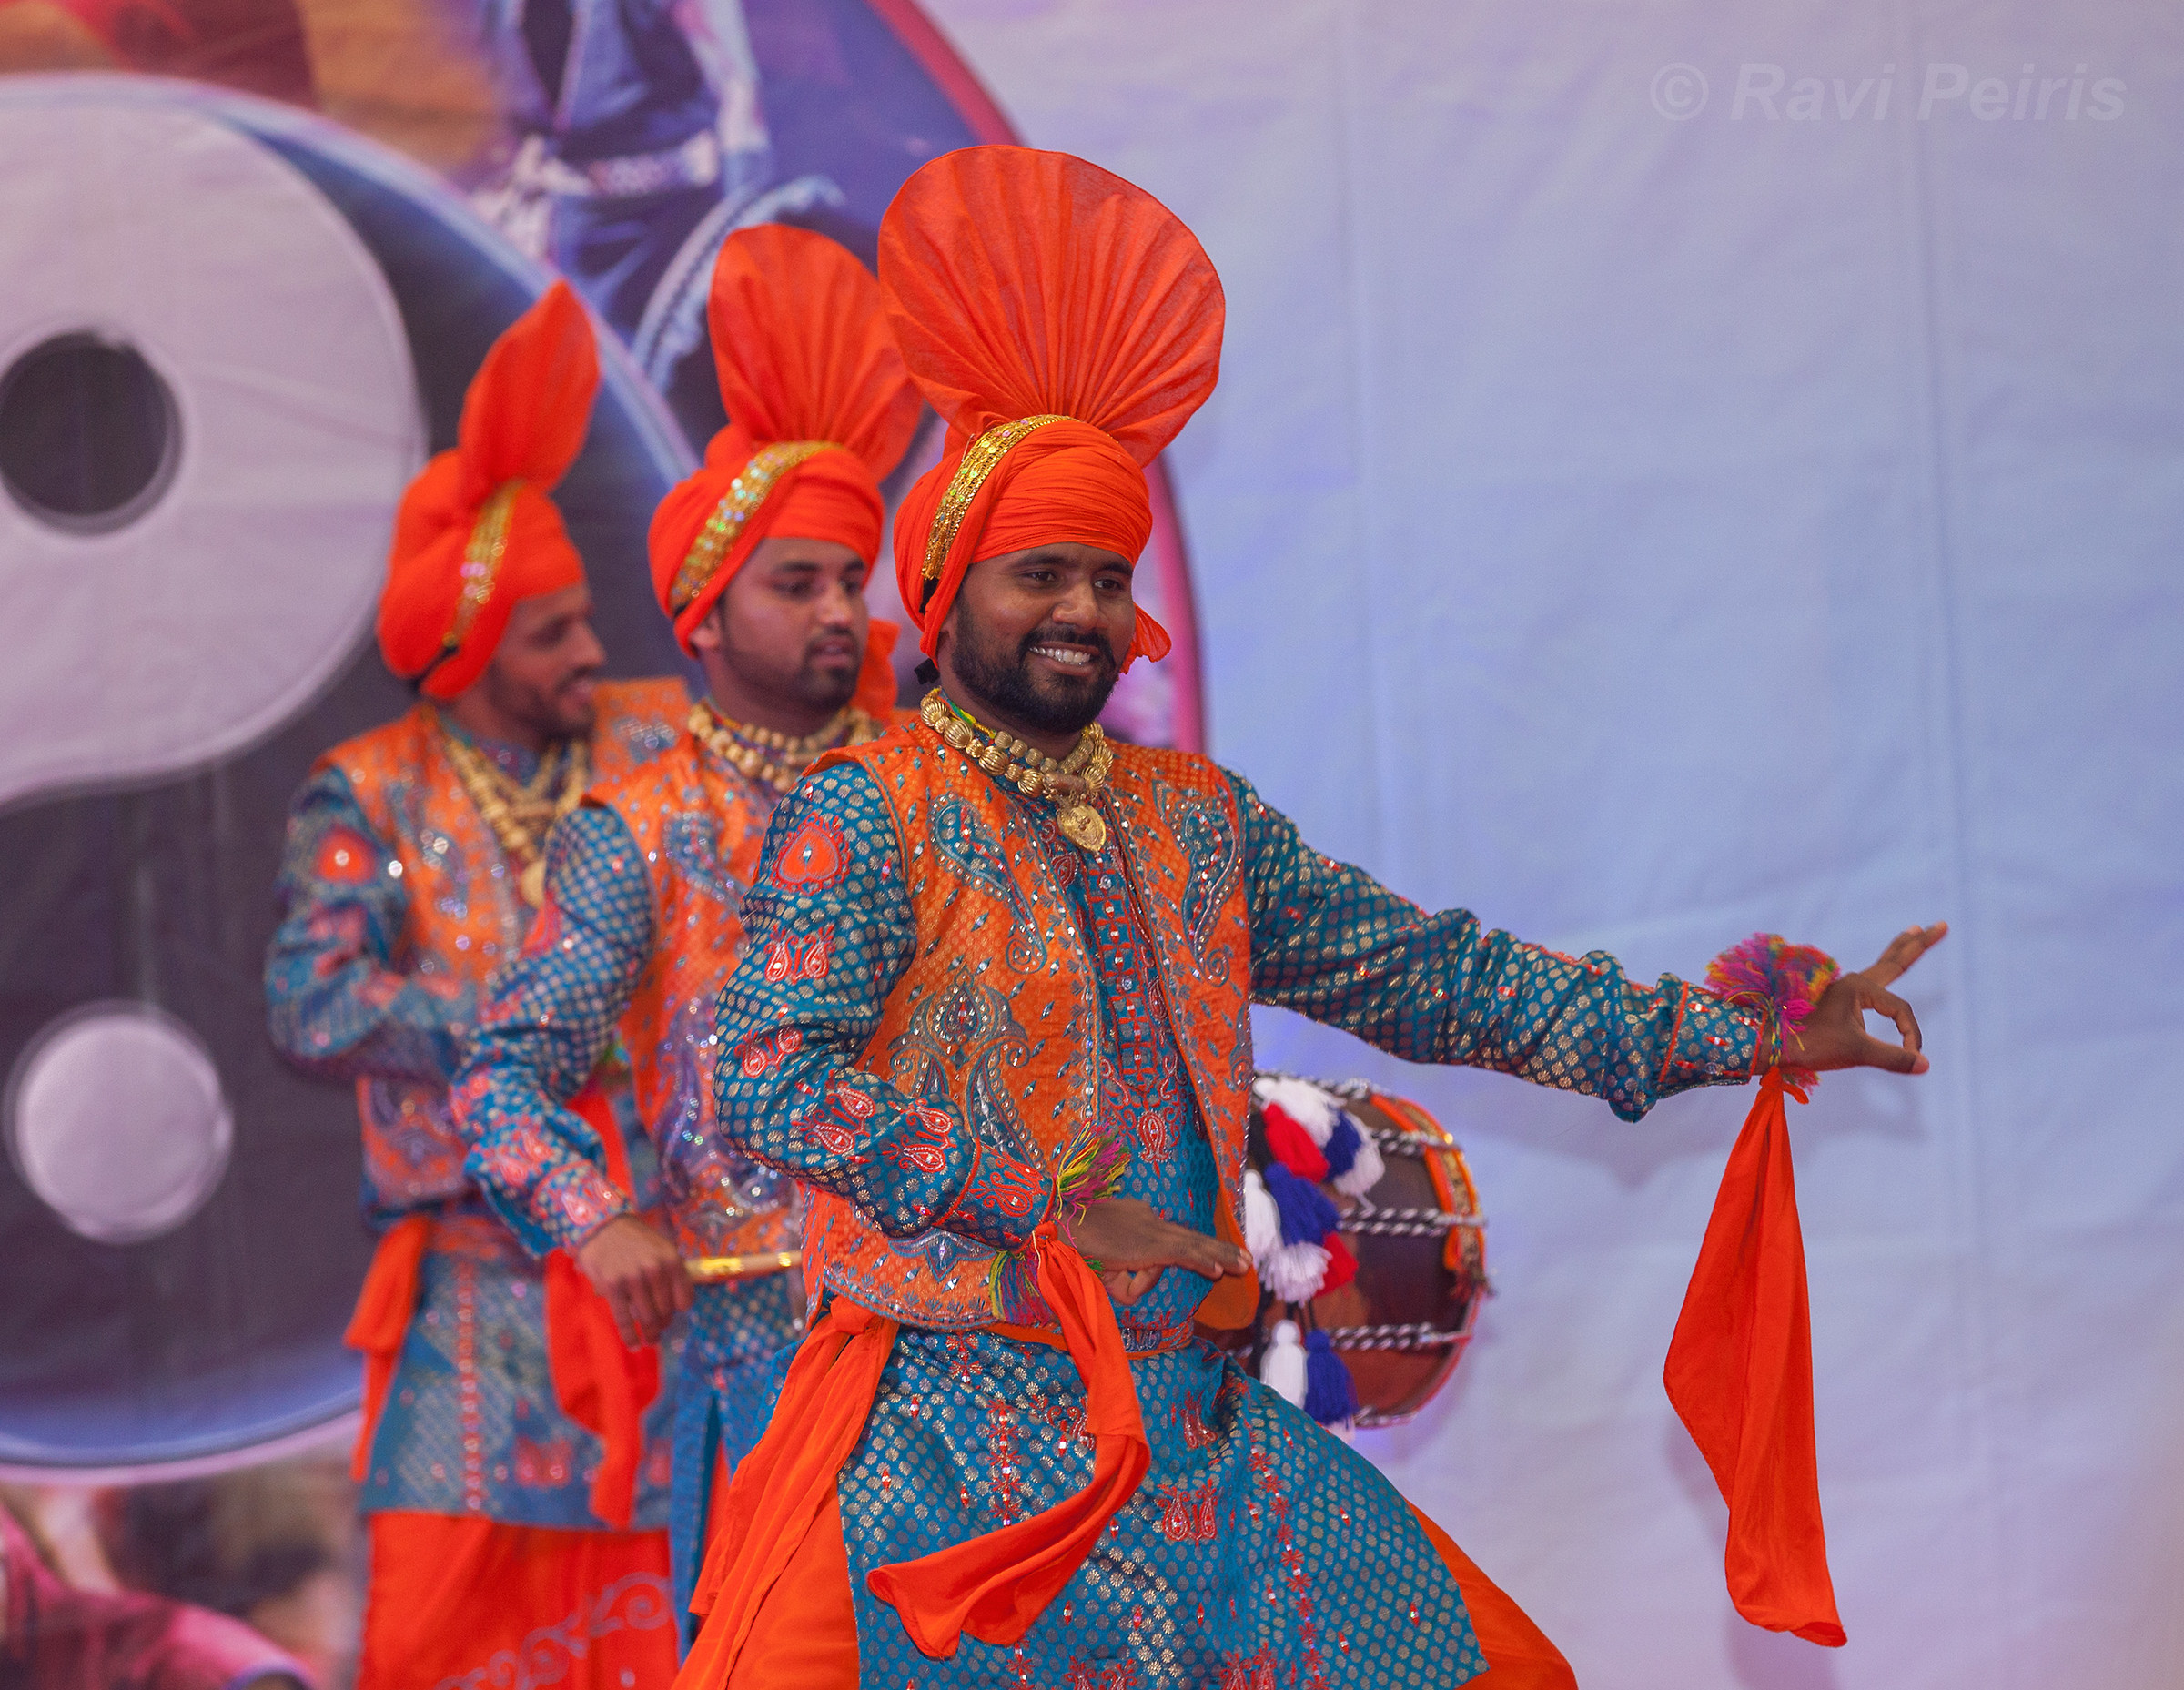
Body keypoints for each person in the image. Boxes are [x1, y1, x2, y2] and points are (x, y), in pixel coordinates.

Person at [674, 147, 1947, 1690]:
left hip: (1194, 1434)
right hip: (951, 1436)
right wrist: (1049, 1207)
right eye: (1040, 574)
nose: (1082, 611)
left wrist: (1735, 1032)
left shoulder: (1193, 822)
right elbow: (766, 1081)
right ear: (944, 589)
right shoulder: (866, 814)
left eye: (1107, 574)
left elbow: (1435, 975)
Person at [451, 223, 921, 1646]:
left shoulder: (937, 793)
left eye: (854, 577)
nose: (844, 609)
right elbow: (499, 1075)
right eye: (801, 583)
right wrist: (593, 1217)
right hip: (764, 1362)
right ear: (703, 615)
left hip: (968, 1351)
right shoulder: (636, 829)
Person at [264, 281, 687, 1690]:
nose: (591, 651)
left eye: (585, 620)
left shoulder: (652, 744)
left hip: (654, 1272)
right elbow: (311, 1003)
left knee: (682, 1618)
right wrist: (524, 1030)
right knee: (445, 1637)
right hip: (472, 1290)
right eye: (552, 631)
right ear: (468, 647)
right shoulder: (367, 794)